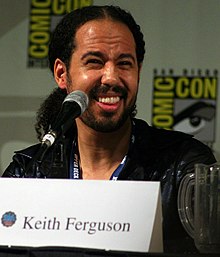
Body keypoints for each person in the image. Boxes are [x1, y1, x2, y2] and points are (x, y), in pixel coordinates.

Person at [2, 5, 216, 253]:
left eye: (125, 63)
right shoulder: (29, 171)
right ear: (62, 73)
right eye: (94, 62)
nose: (111, 77)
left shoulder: (184, 168)